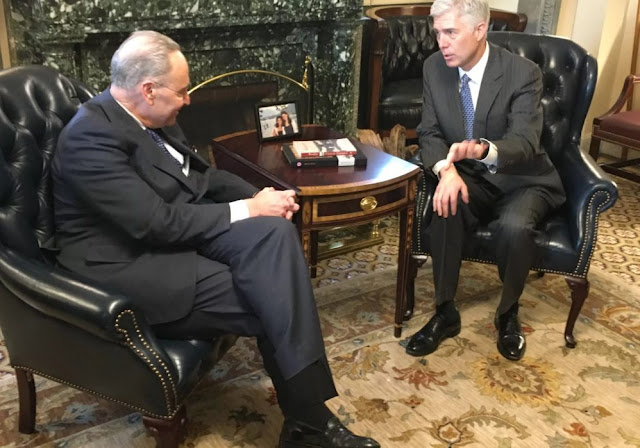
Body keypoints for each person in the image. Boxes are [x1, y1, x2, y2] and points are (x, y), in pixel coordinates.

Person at [52, 30, 379, 448]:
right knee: (272, 295)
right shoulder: (90, 138)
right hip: (126, 264)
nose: (188, 100)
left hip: (174, 234)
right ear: (148, 90)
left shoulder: (154, 117)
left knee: (275, 232)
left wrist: (264, 197)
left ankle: (306, 425)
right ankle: (310, 424)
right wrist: (249, 209)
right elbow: (155, 224)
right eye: (181, 91)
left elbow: (203, 179)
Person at [405, 0, 565, 362]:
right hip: (468, 177)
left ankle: (508, 313)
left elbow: (525, 142)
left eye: (450, 32)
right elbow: (429, 132)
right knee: (445, 205)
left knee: (514, 227)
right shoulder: (434, 67)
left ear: (480, 30)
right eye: (437, 33)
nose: (441, 43)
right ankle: (445, 311)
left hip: (522, 178)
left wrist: (482, 150)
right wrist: (446, 171)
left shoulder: (522, 73)